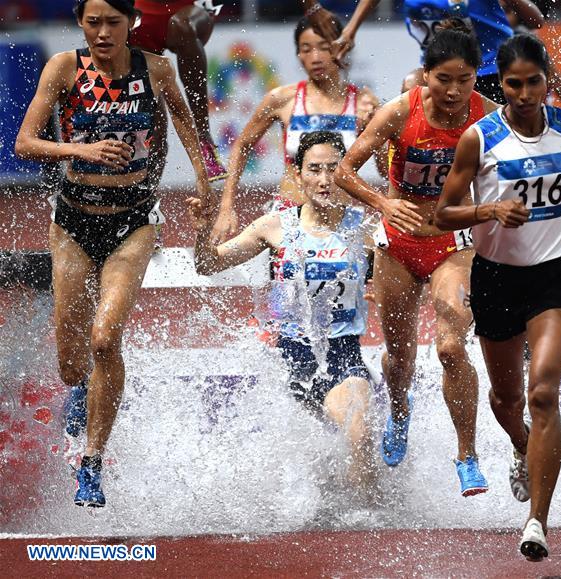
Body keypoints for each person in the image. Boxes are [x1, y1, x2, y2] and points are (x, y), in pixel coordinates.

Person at [14, 0, 211, 507]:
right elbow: (25, 143)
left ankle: (92, 462)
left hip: (133, 222)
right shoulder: (64, 68)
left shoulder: (157, 69)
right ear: (81, 22)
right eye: (93, 22)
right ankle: (81, 389)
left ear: (133, 23)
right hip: (73, 222)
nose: (103, 33)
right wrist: (80, 150)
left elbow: (190, 135)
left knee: (105, 339)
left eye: (113, 23)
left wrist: (207, 191)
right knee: (70, 361)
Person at [435, 33, 561, 560]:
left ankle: (537, 521)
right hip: (497, 276)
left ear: (547, 80)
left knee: (543, 392)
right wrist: (490, 211)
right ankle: (519, 444)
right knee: (508, 401)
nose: (526, 92)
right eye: (514, 83)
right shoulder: (479, 138)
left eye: (535, 81)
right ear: (502, 84)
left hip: (556, 275)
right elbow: (442, 214)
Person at [334, 29, 498, 496]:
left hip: (453, 245)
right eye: (443, 79)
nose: (452, 91)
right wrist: (381, 204)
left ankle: (467, 455)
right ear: (425, 76)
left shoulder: (487, 116)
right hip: (398, 247)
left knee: (450, 347)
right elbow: (344, 170)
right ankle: (400, 408)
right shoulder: (400, 111)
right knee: (401, 356)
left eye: (464, 80)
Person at [191, 131, 377, 491]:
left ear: (346, 174)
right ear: (297, 175)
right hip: (293, 362)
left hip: (342, 356)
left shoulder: (365, 231)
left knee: (359, 433)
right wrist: (202, 232)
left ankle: (367, 523)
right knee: (315, 465)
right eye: (314, 170)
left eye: (333, 170)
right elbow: (208, 265)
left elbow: (401, 282)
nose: (324, 180)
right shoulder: (275, 226)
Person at [210, 16, 382, 242]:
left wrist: (378, 127)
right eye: (306, 49)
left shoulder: (363, 103)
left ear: (341, 48)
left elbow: (384, 167)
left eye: (324, 48)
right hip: (289, 214)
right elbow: (242, 145)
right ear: (298, 55)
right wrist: (226, 207)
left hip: (340, 219)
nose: (316, 57)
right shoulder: (282, 99)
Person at [330, 0, 541, 103]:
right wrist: (350, 30)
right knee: (411, 85)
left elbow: (536, 21)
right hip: (442, 73)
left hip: (493, 72)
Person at [129, 0, 228, 179]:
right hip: (139, 21)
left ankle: (203, 136)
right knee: (154, 137)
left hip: (190, 11)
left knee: (182, 25)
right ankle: (145, 200)